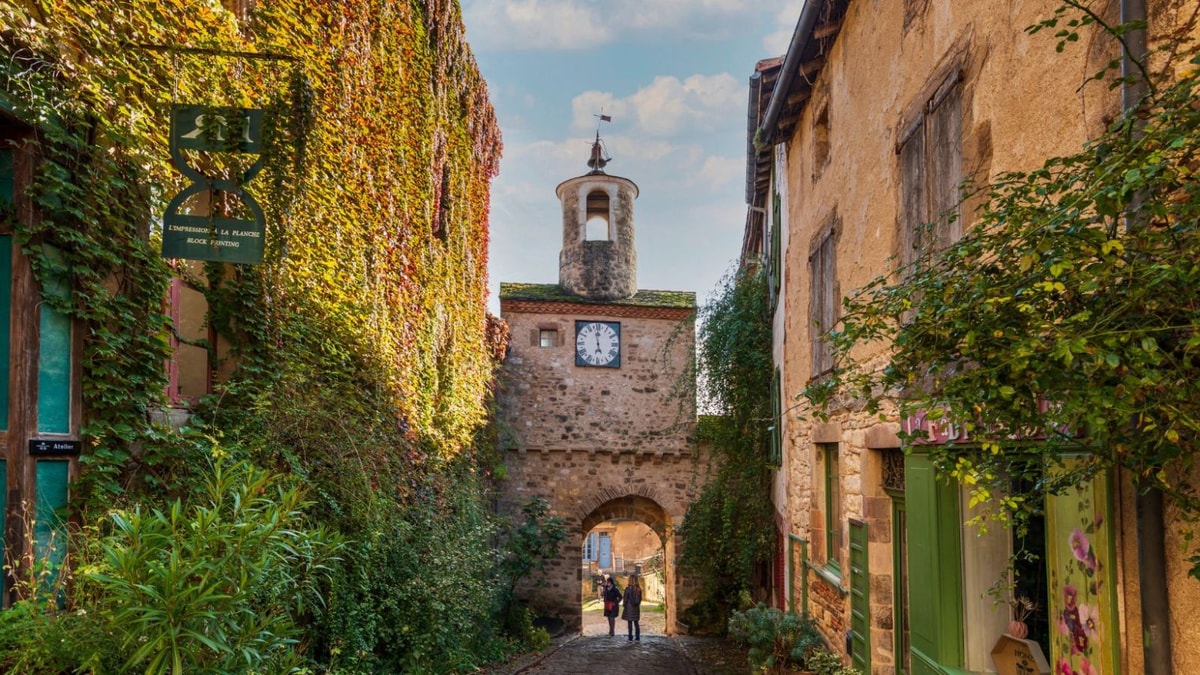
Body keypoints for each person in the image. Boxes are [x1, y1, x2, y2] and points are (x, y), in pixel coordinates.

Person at [622, 574, 643, 641]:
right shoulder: (639, 589)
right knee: (636, 623)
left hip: (629, 608)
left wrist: (624, 605)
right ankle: (637, 637)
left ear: (630, 580)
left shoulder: (628, 589)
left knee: (630, 623)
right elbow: (640, 599)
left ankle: (630, 637)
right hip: (636, 608)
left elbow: (625, 598)